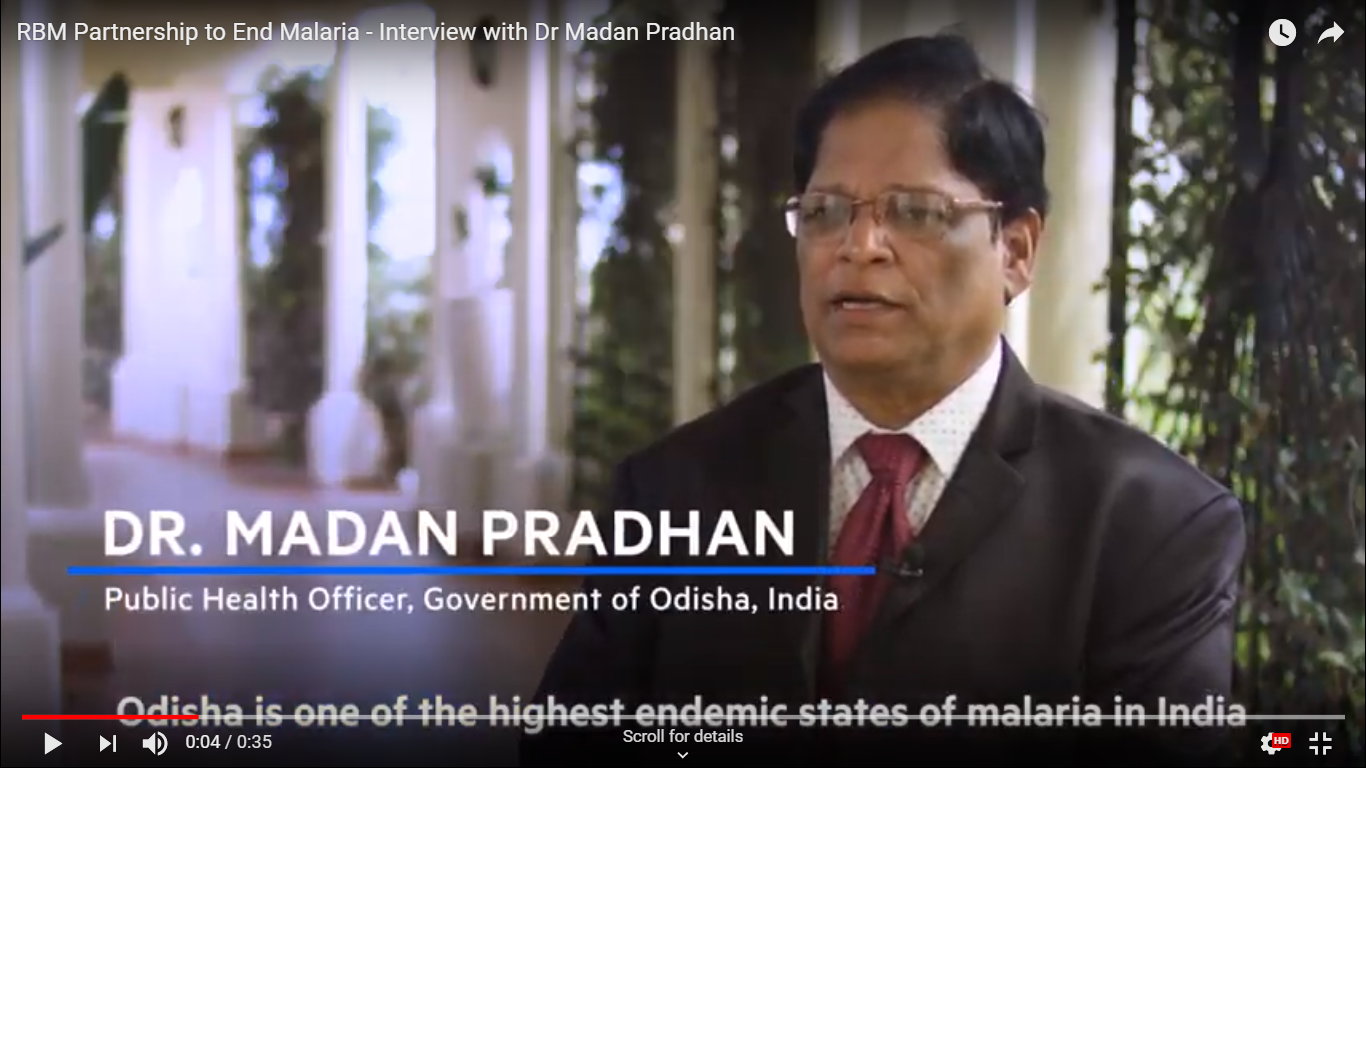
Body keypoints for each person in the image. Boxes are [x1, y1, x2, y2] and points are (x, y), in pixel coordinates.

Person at [527, 34, 1246, 765]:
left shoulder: (1152, 524)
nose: (859, 245)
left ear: (1016, 250)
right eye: (825, 211)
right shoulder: (675, 486)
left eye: (915, 212)